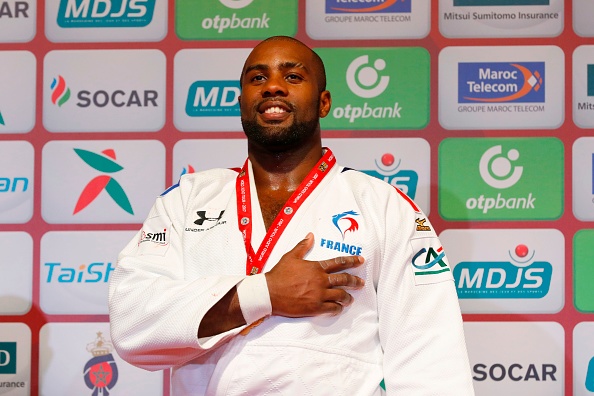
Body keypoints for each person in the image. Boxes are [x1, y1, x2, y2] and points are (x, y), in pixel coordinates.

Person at [109, 36, 475, 395]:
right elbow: (133, 324)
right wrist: (264, 293)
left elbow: (430, 357)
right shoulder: (187, 200)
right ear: (240, 103)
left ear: (324, 101)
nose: (273, 88)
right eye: (257, 78)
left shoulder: (384, 206)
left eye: (292, 77)